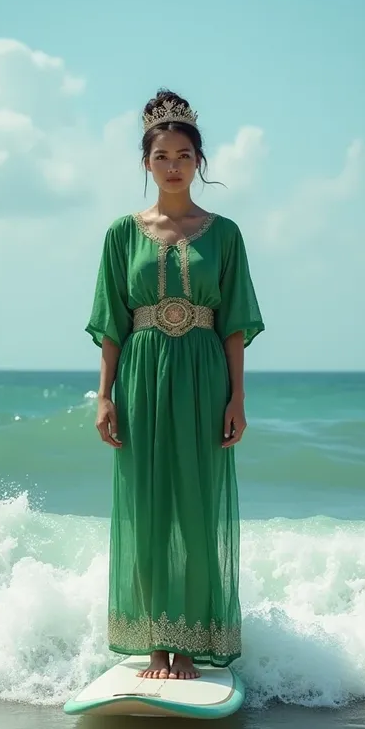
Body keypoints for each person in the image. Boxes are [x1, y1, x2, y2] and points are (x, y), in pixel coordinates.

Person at [86, 88, 264, 681]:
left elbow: (235, 323)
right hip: (140, 376)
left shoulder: (225, 234)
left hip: (204, 376)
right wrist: (105, 395)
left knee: (196, 508)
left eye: (184, 156)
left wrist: (238, 396)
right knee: (147, 507)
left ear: (199, 163)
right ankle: (155, 644)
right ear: (146, 163)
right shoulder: (121, 234)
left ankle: (189, 643)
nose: (172, 166)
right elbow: (111, 322)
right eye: (161, 156)